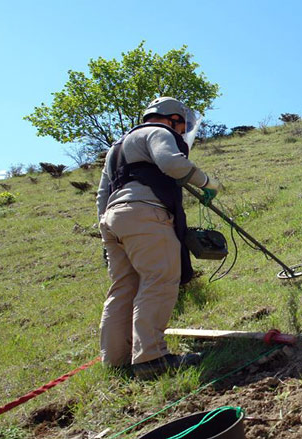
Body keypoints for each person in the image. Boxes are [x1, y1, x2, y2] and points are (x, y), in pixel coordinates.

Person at [96, 97, 218, 379]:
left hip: (113, 221)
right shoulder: (158, 132)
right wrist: (207, 182)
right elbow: (171, 162)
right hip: (146, 215)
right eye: (181, 124)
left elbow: (102, 195)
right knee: (159, 279)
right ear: (173, 119)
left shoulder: (117, 148)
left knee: (122, 289)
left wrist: (107, 234)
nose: (182, 130)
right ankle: (152, 357)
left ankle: (115, 362)